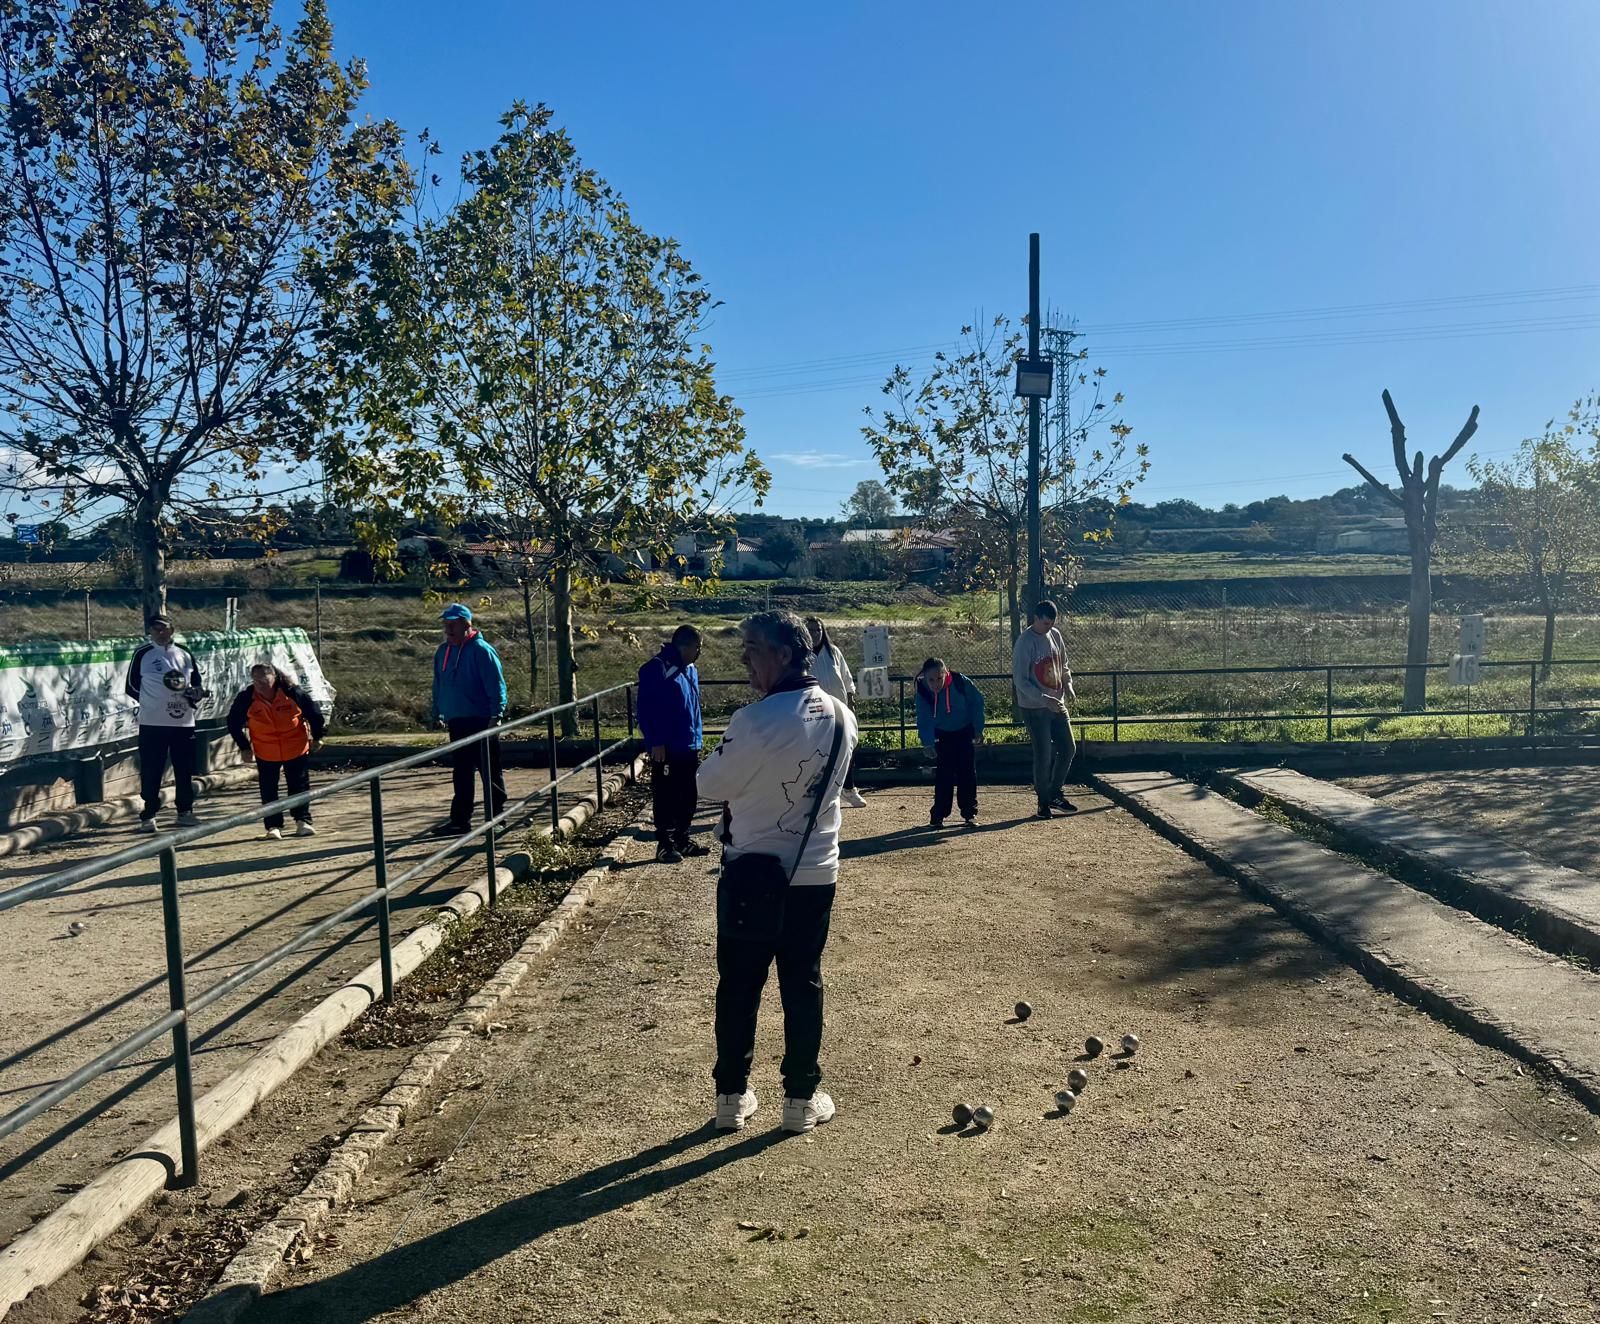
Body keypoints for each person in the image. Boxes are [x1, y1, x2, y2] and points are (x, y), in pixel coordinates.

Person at [696, 610, 858, 1136]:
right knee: (803, 983)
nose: (744, 657)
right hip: (814, 871)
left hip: (749, 872)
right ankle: (801, 1098)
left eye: (752, 648)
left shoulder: (754, 721)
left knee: (739, 985)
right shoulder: (841, 715)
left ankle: (731, 1097)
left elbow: (708, 784)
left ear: (785, 655)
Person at [430, 603, 509, 836]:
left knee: (490, 771)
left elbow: (496, 684)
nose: (448, 629)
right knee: (462, 772)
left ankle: (497, 818)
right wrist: (437, 712)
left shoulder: (482, 650)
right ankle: (460, 820)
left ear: (467, 624)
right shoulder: (443, 652)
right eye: (446, 625)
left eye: (453, 624)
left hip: (482, 720)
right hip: (457, 720)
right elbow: (438, 684)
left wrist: (497, 714)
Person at [125, 613, 205, 833]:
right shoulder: (143, 654)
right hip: (153, 723)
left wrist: (194, 695)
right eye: (155, 629)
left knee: (185, 768)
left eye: (164, 629)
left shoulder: (185, 653)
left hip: (183, 722)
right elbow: (131, 686)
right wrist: (153, 704)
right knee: (152, 769)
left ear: (172, 630)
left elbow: (195, 682)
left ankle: (185, 811)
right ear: (150, 632)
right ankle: (149, 814)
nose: (160, 633)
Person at [227, 663, 327, 840]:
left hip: (295, 746)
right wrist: (243, 746)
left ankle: (302, 821)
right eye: (256, 681)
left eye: (264, 681)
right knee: (268, 789)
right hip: (266, 749)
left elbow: (314, 713)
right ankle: (273, 826)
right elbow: (233, 722)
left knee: (299, 785)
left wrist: (318, 736)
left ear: (275, 678)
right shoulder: (246, 698)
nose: (260, 685)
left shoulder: (292, 692)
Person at [637, 624, 707, 864]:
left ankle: (682, 838)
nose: (699, 653)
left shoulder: (691, 669)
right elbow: (646, 709)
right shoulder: (656, 669)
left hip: (690, 742)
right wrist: (655, 740)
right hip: (667, 746)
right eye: (698, 648)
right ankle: (664, 844)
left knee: (688, 794)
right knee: (666, 794)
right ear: (684, 646)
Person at [1012, 599, 1077, 818]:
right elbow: (1020, 680)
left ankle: (1055, 792)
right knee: (1044, 754)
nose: (1049, 627)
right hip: (1035, 707)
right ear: (1036, 618)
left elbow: (1064, 665)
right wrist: (1042, 698)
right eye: (1046, 623)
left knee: (1068, 748)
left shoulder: (1055, 636)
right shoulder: (1025, 642)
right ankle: (1043, 801)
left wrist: (1067, 685)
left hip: (1057, 703)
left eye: (1051, 623)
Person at [915, 656, 985, 829]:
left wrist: (978, 729)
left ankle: (969, 814)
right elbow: (923, 717)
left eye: (939, 678)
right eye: (931, 680)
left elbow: (977, 704)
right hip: (943, 734)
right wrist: (928, 742)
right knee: (943, 775)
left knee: (967, 773)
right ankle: (938, 815)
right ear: (925, 678)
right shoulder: (923, 691)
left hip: (964, 730)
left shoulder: (961, 682)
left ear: (946, 673)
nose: (936, 683)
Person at [806, 617, 867, 808]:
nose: (815, 634)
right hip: (814, 711)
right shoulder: (800, 655)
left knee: (848, 748)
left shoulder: (833, 652)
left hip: (840, 709)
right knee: (817, 753)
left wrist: (851, 702)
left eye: (818, 630)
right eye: (810, 630)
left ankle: (848, 788)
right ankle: (818, 793)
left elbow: (847, 679)